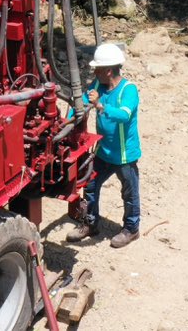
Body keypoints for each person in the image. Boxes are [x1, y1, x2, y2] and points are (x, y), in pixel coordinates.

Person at [66, 43, 141, 248]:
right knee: (90, 186)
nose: (94, 72)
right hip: (102, 151)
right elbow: (82, 100)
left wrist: (100, 106)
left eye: (97, 69)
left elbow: (124, 115)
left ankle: (131, 229)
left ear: (108, 71)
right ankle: (91, 223)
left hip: (124, 155)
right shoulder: (98, 86)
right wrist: (68, 119)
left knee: (129, 192)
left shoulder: (129, 90)